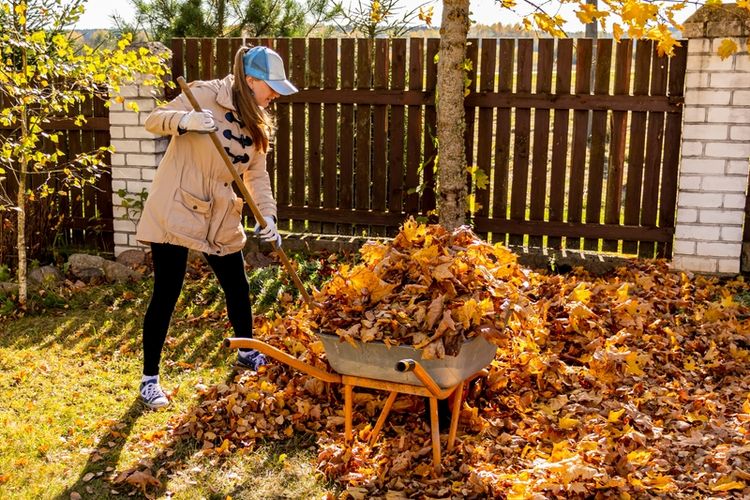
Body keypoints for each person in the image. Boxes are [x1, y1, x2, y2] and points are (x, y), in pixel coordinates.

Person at [134, 45, 298, 409]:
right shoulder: (204, 94)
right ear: (251, 80)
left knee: (237, 286)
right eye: (271, 87)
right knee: (167, 291)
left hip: (221, 213)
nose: (274, 95)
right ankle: (149, 380)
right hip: (177, 205)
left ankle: (246, 352)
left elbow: (257, 174)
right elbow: (153, 119)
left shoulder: (257, 118)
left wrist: (267, 217)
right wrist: (186, 121)